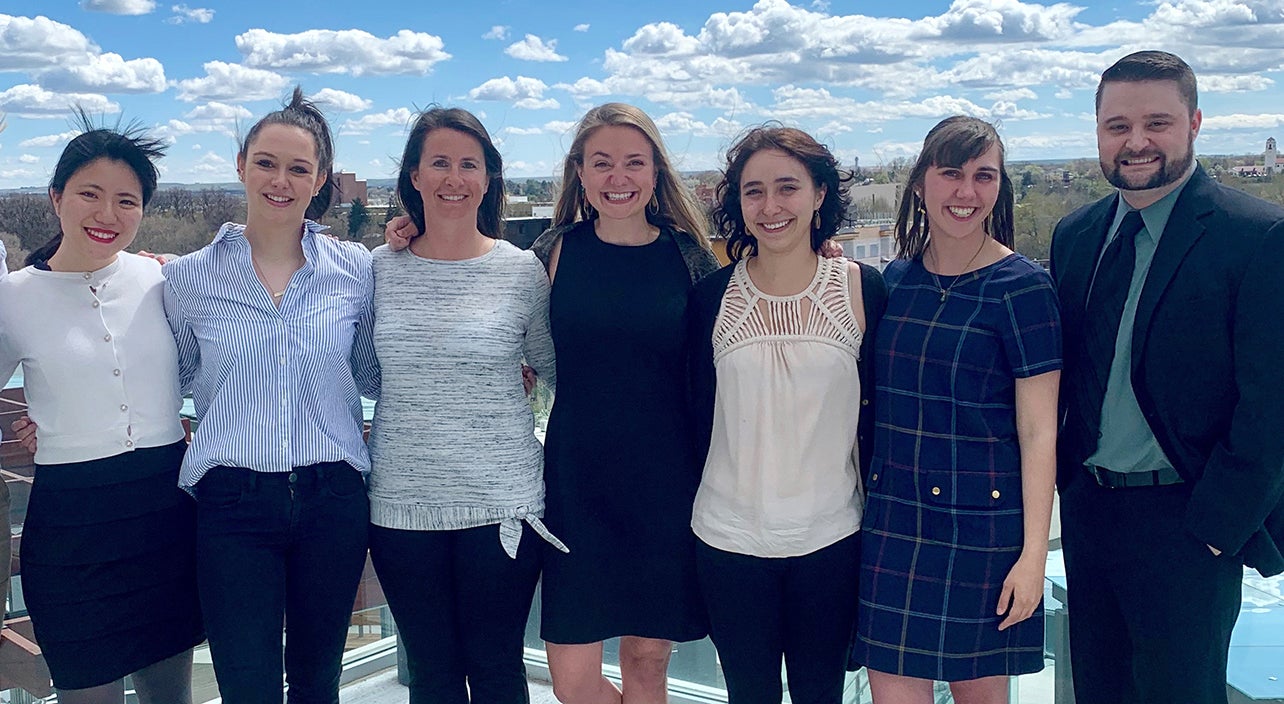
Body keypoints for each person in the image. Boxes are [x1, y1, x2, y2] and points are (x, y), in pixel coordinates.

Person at [1051, 50, 1284, 704]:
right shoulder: (1076, 235)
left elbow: (1272, 407)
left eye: (1157, 122)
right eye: (1117, 125)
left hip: (1187, 523)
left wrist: (1216, 530)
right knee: (1099, 690)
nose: (1137, 141)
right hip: (1089, 513)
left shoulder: (1256, 236)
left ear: (1195, 123)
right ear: (1098, 132)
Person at [162, 87, 379, 704]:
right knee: (246, 686)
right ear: (240, 165)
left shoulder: (355, 269)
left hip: (332, 499)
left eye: (299, 168)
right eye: (266, 162)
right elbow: (161, 381)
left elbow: (371, 375)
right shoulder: (186, 277)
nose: (280, 180)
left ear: (320, 181)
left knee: (317, 683)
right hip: (232, 504)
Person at [851, 116, 1061, 703]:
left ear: (999, 187)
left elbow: (1039, 431)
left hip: (984, 531)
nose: (966, 192)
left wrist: (1030, 559)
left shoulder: (1023, 288)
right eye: (951, 174)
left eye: (983, 176)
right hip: (893, 523)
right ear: (920, 183)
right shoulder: (895, 282)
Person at [0, 119, 203, 703]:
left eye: (126, 200)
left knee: (172, 697)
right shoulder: (13, 297)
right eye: (89, 194)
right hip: (71, 530)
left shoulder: (164, 278)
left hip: (165, 514)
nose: (106, 213)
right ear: (56, 198)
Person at [365, 106, 560, 703]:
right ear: (415, 177)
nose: (454, 177)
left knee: (498, 672)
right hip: (401, 507)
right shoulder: (377, 269)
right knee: (432, 676)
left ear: (488, 178)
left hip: (501, 506)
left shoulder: (521, 272)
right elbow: (365, 378)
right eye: (439, 163)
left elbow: (556, 373)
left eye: (468, 164)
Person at [686, 125, 885, 704]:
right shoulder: (709, 301)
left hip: (831, 542)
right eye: (754, 191)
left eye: (787, 187)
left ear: (820, 194)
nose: (771, 207)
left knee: (820, 695)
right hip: (727, 543)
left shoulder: (863, 291)